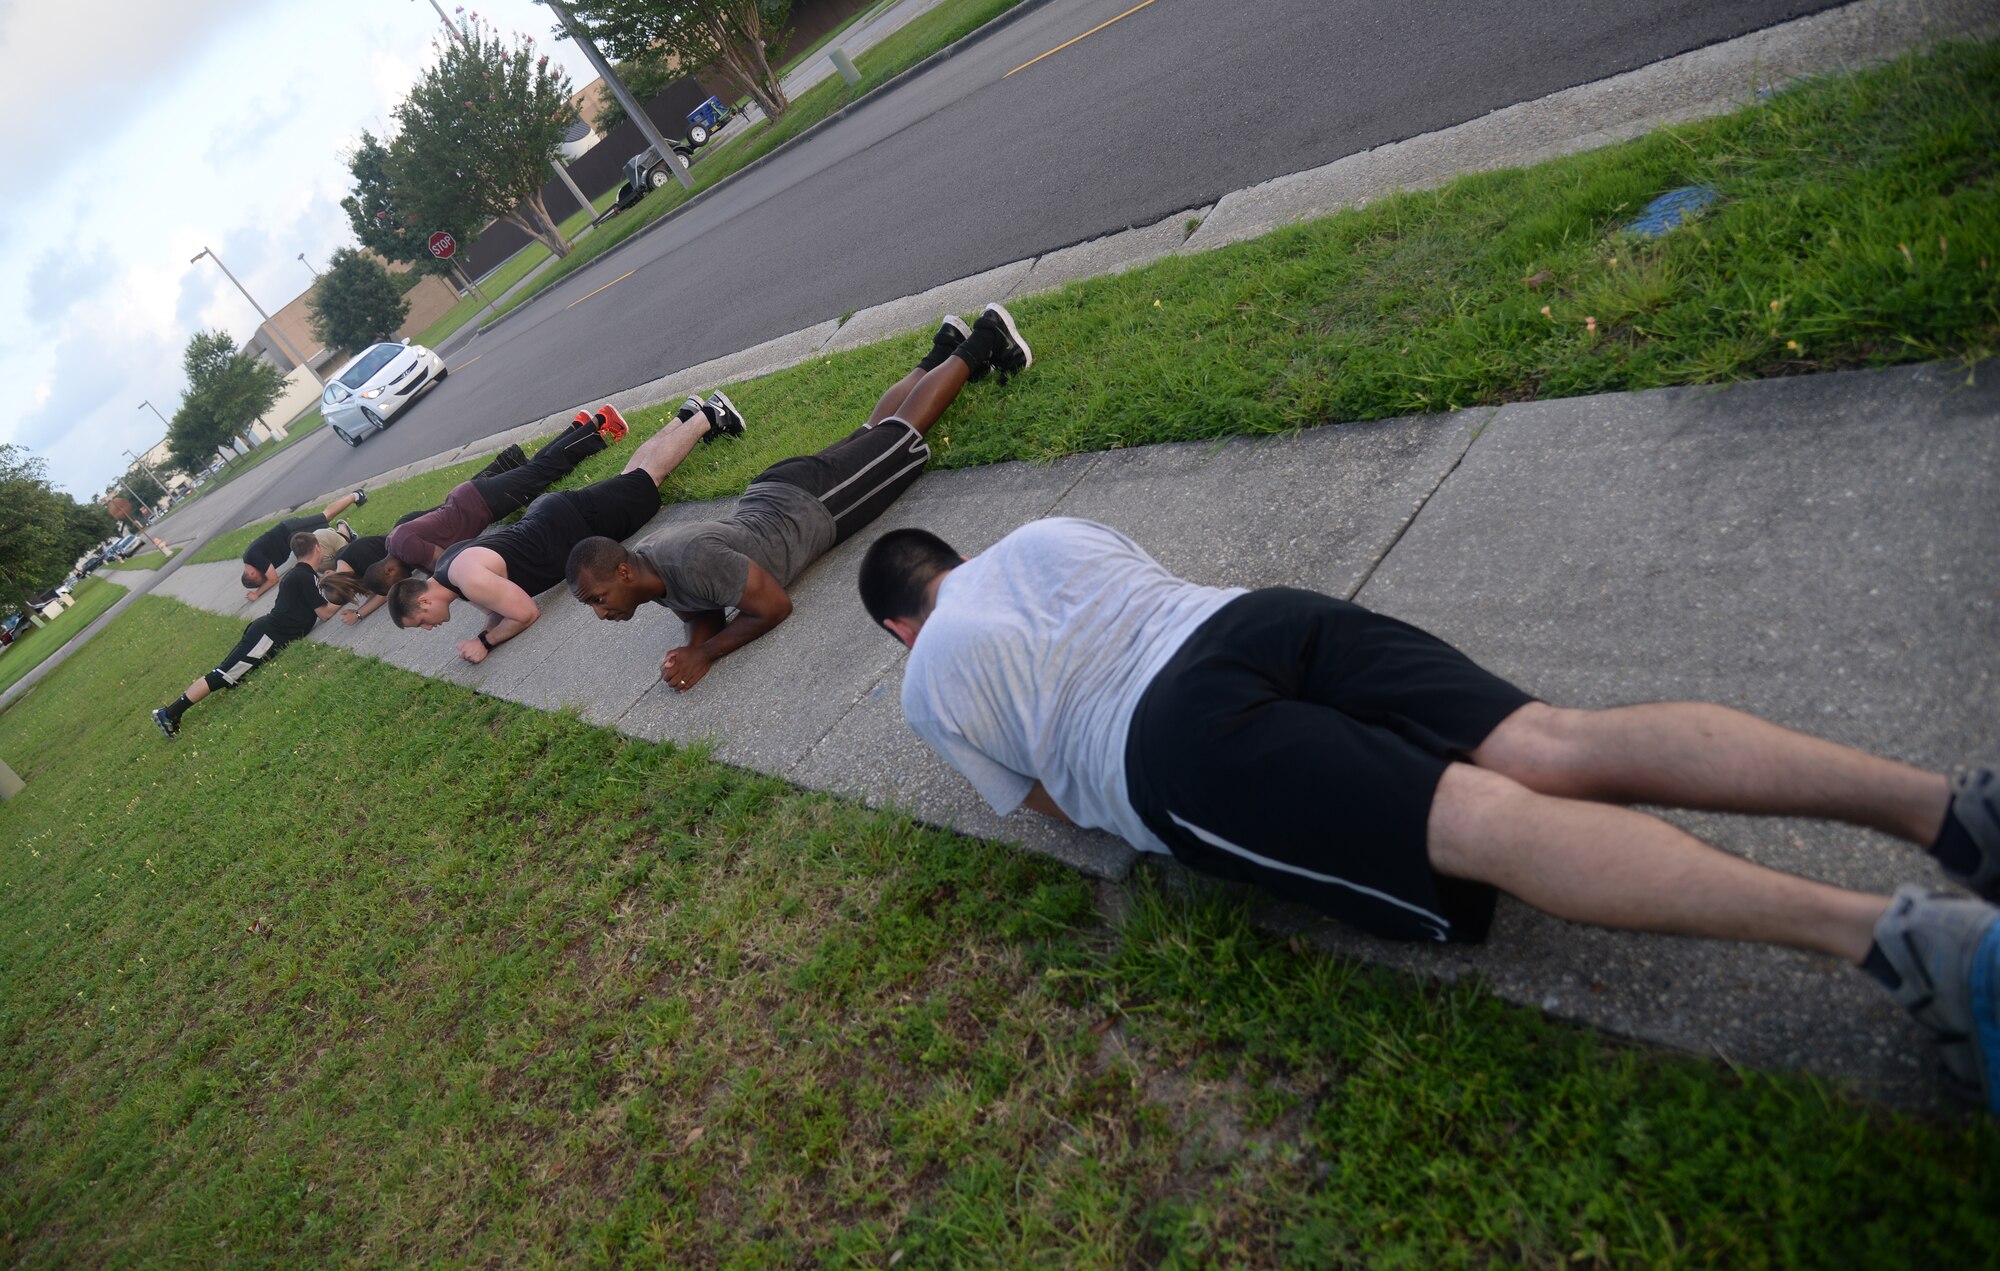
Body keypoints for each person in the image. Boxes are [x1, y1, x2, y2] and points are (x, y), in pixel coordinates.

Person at [857, 517, 2000, 1112]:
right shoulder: (1049, 534)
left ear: (902, 627)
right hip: (1259, 622)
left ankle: (1906, 946)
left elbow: (1058, 809)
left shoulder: (926, 676)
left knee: (1486, 822)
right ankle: (1950, 812)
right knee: (1554, 738)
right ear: (956, 560)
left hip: (1172, 742)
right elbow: (1158, 600)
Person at [564, 304, 1032, 692]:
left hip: (815, 505)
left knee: (901, 437)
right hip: (780, 490)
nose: (601, 612)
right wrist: (689, 649)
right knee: (874, 432)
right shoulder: (651, 570)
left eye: (600, 599)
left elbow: (773, 606)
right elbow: (702, 607)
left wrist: (704, 654)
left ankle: (987, 337)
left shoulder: (686, 559)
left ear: (622, 571)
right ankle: (944, 347)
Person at [386, 394, 745, 661]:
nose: (429, 628)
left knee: (648, 481)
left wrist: (485, 643)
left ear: (423, 599)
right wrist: (485, 632)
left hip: (570, 523)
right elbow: (497, 605)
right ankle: (686, 416)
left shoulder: (467, 578)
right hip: (556, 517)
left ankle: (709, 417)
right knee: (631, 479)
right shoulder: (451, 569)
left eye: (421, 621)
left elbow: (525, 612)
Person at [315, 444, 532, 624]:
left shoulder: (363, 564)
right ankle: (507, 465)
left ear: (349, 587)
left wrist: (360, 613)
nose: (354, 597)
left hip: (408, 533)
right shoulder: (347, 563)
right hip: (406, 533)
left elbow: (385, 593)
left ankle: (508, 462)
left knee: (461, 506)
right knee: (458, 504)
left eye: (350, 595)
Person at [154, 536, 342, 737]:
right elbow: (325, 613)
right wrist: (344, 596)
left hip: (266, 633)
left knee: (233, 677)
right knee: (222, 675)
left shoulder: (301, 574)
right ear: (317, 549)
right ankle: (170, 713)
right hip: (266, 637)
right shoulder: (303, 576)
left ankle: (172, 711)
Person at [239, 489, 368, 602]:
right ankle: (344, 531)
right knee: (324, 537)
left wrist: (257, 594)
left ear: (251, 573)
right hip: (293, 539)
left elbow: (273, 579)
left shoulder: (253, 557)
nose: (264, 575)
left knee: (326, 516)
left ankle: (356, 495)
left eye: (261, 577)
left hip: (290, 529)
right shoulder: (252, 560)